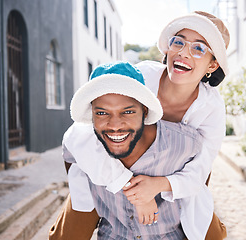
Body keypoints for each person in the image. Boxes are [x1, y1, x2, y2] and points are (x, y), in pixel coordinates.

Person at [49, 10, 229, 240]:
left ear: (212, 65)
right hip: (112, 164)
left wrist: (158, 185)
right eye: (179, 42)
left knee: (205, 229)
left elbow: (200, 169)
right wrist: (127, 185)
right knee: (69, 233)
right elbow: (84, 133)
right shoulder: (141, 76)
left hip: (172, 174)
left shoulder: (211, 107)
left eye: (199, 48)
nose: (184, 52)